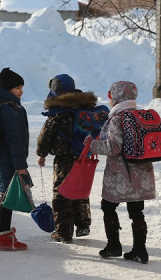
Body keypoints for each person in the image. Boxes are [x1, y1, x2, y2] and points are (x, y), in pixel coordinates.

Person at [84, 81, 156, 264]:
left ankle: (113, 246)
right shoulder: (140, 115)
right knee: (136, 210)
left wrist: (91, 144)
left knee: (108, 206)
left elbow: (113, 147)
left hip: (120, 173)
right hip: (142, 172)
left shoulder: (117, 118)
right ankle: (140, 250)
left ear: (114, 97)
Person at [36, 74, 97, 243]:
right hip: (83, 157)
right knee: (80, 190)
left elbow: (45, 137)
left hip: (64, 159)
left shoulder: (57, 113)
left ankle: (63, 232)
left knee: (62, 193)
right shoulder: (84, 109)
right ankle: (83, 224)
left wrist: (41, 154)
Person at [0, 67, 30, 251]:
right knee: (7, 198)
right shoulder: (9, 109)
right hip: (7, 160)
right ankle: (4, 239)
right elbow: (14, 140)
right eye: (18, 87)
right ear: (8, 88)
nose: (21, 91)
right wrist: (20, 166)